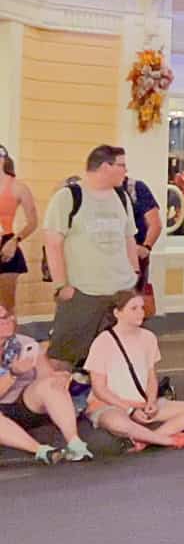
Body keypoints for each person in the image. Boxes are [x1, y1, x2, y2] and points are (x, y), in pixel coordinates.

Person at [41, 145, 140, 366]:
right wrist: (61, 285)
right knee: (64, 358)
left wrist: (135, 273)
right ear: (106, 166)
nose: (126, 170)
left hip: (120, 291)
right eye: (122, 165)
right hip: (83, 292)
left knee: (117, 358)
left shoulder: (121, 197)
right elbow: (53, 243)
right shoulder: (68, 197)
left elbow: (129, 238)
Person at [82, 292, 184, 449]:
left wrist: (151, 401)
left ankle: (145, 440)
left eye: (142, 307)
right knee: (118, 422)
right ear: (117, 313)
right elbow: (99, 389)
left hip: (141, 402)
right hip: (110, 405)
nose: (140, 312)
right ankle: (168, 440)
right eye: (133, 308)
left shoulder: (149, 338)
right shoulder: (102, 342)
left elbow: (151, 377)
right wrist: (129, 409)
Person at [0, 302, 92, 461]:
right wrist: (13, 374)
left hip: (24, 403)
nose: (7, 320)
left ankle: (75, 443)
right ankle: (42, 451)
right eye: (0, 319)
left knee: (50, 384)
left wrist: (59, 379)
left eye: (7, 316)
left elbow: (45, 375)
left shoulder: (25, 343)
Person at [0, 148, 39, 312]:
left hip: (6, 244)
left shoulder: (18, 187)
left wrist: (15, 241)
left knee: (6, 306)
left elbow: (33, 221)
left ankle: (9, 337)